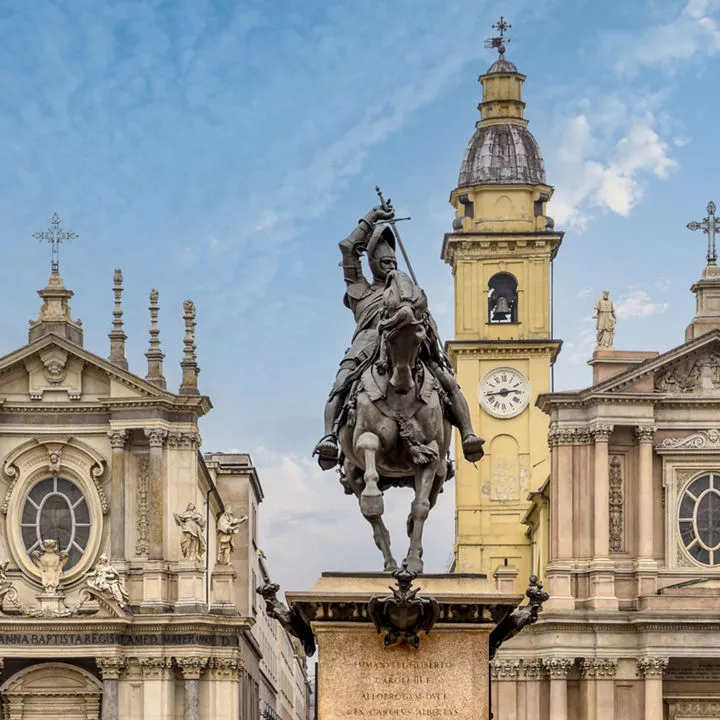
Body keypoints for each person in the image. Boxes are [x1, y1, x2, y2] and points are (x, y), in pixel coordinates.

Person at [313, 203, 484, 469]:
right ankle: (330, 438)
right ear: (373, 264)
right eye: (384, 262)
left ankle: (468, 433)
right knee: (341, 382)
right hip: (368, 343)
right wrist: (371, 218)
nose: (390, 264)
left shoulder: (407, 288)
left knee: (447, 381)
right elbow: (348, 248)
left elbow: (424, 316)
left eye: (392, 261)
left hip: (410, 339)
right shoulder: (361, 289)